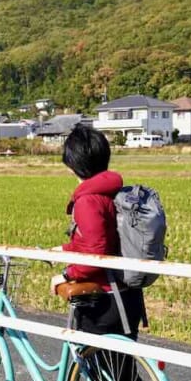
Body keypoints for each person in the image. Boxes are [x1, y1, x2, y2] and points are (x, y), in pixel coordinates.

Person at [50, 124, 146, 340]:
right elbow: (102, 238)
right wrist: (65, 249)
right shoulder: (111, 191)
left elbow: (96, 251)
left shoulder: (87, 201)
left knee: (100, 371)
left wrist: (65, 275)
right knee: (120, 373)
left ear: (73, 163)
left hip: (105, 299)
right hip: (125, 295)